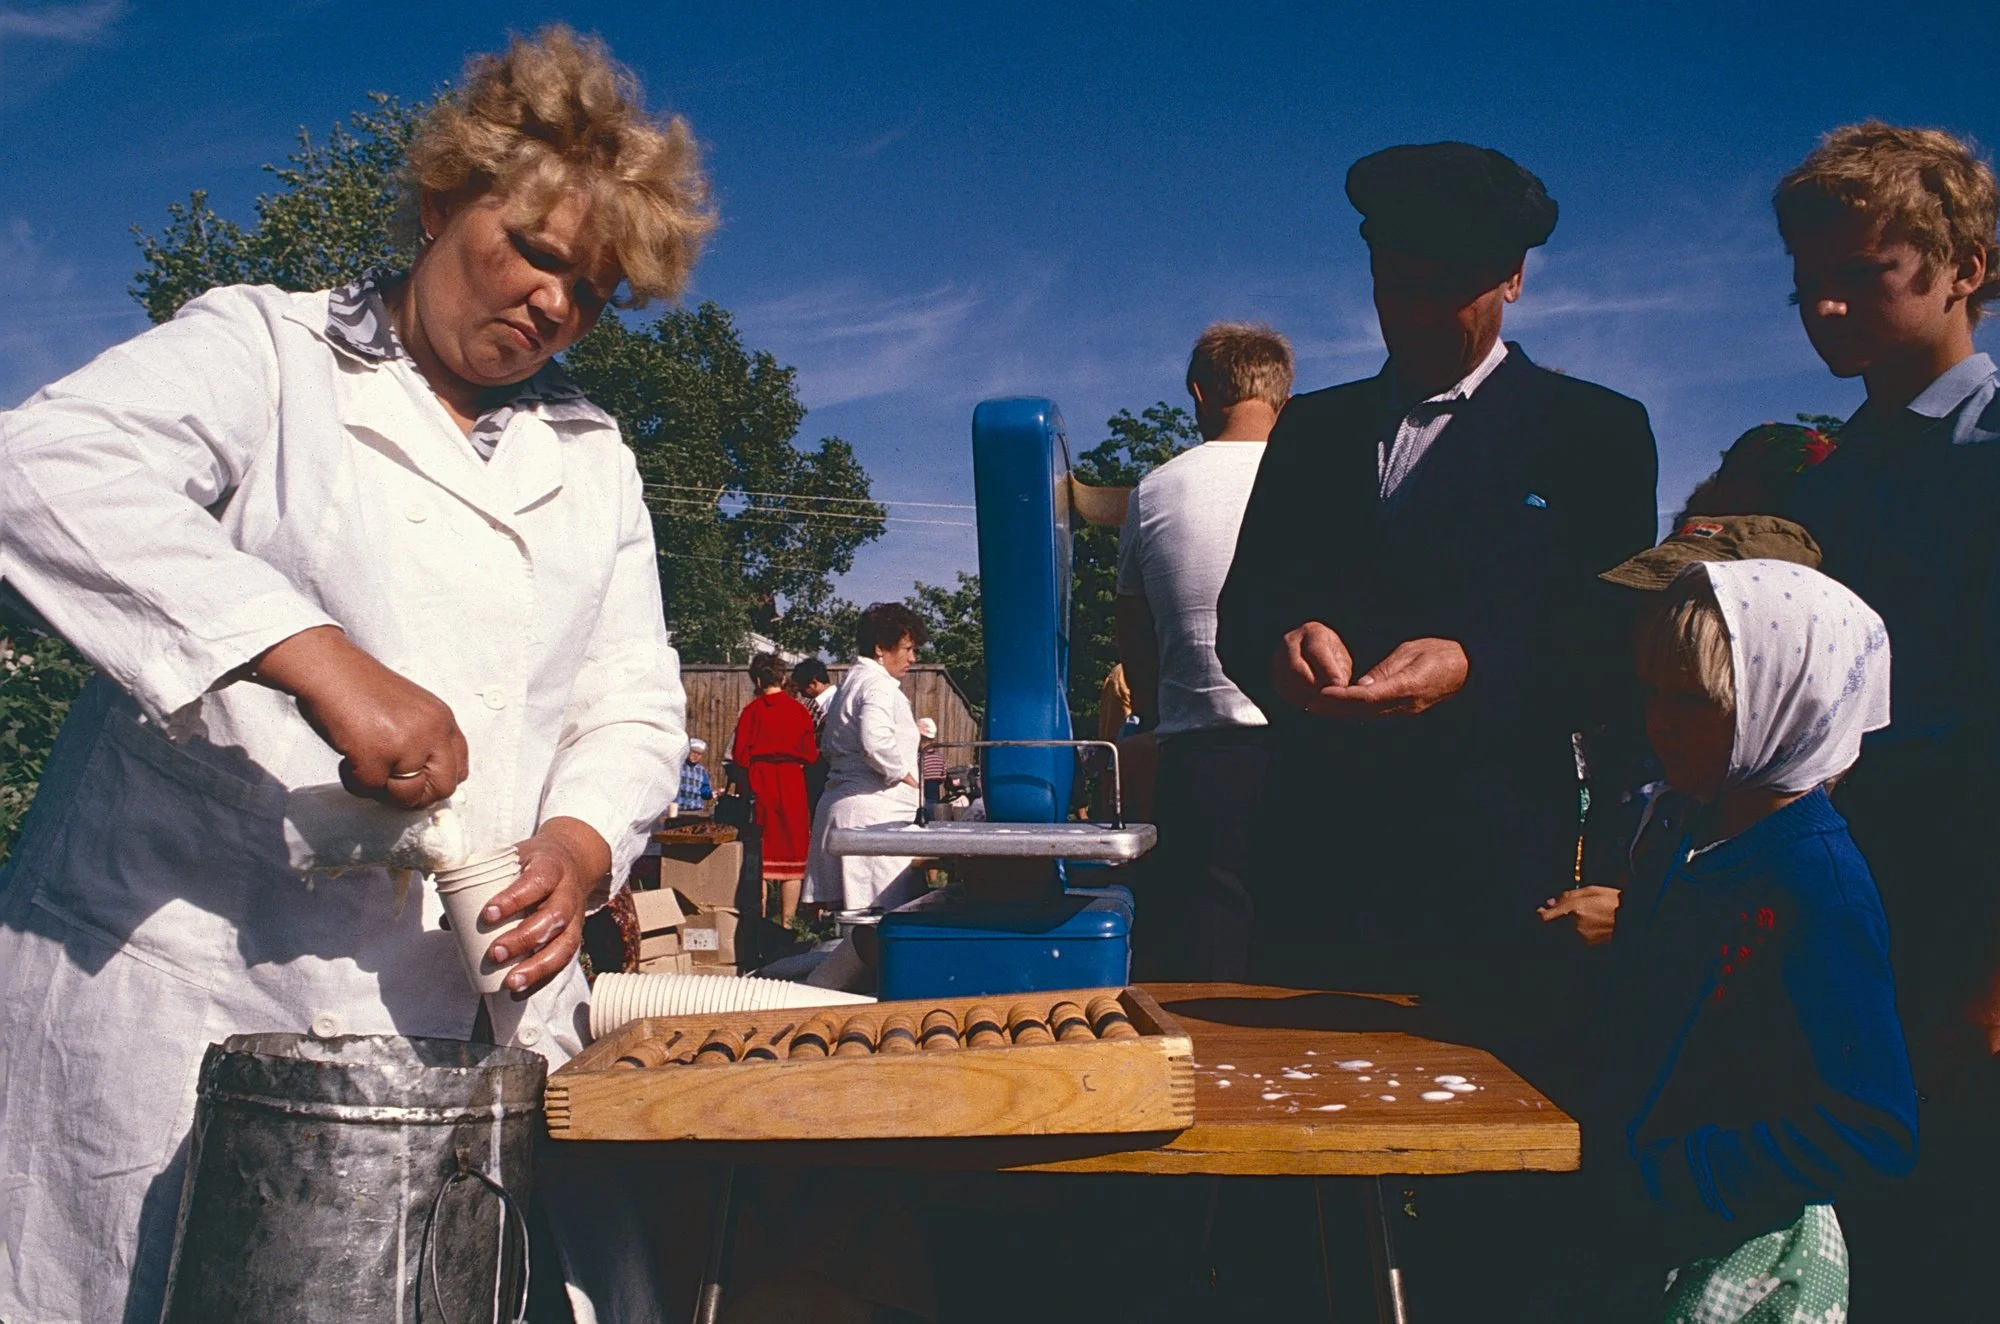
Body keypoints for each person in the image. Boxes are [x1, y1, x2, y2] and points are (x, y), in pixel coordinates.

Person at [0, 26, 711, 1322]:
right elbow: (46, 469)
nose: (556, 303)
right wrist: (317, 660)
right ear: (444, 200)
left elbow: (634, 693)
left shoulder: (592, 456)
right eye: (538, 253)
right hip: (198, 982)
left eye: (593, 290)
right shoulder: (267, 354)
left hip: (451, 1018)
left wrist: (579, 838)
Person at [1214, 141, 1657, 1014]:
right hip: (1315, 854)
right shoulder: (1312, 431)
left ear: (1512, 280)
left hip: (1485, 866)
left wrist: (1474, 664)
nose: (1412, 315)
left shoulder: (1594, 431)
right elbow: (1243, 610)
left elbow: (1610, 643)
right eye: (1393, 287)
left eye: (1443, 292)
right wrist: (1284, 643)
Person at [1774, 119, 2000, 1316]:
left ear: (1963, 264)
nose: (1824, 312)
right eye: (1805, 287)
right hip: (1844, 915)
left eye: (1861, 279)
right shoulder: (1827, 477)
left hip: (1961, 919)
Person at [1562, 561, 1915, 1320]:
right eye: (1654, 692)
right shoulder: (1681, 832)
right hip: (1632, 1237)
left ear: (1789, 701)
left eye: (1694, 699)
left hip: (1742, 1254)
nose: (1661, 719)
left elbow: (1870, 1127)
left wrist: (1672, 1176)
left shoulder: (1816, 884)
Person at [1540, 513, 1828, 946]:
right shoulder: (1638, 719)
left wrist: (1642, 919)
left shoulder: (1786, 787)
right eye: (1651, 601)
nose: (1656, 622)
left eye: (1692, 603)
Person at [1115, 321, 1291, 979]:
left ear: (1201, 392)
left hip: (1201, 753)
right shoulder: (1328, 475)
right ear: (1283, 398)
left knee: (1205, 957)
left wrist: (1159, 712)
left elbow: (1133, 625)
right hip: (1315, 744)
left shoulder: (1156, 488)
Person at [803, 603, 928, 914]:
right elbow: (875, 742)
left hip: (851, 811)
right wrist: (905, 775)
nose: (912, 658)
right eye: (907, 649)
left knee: (858, 930)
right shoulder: (877, 684)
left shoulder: (852, 682)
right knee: (879, 925)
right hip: (871, 818)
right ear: (880, 649)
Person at [732, 652, 819, 924]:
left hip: (761, 781)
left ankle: (756, 923)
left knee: (761, 854)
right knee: (792, 854)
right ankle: (788, 923)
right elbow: (810, 755)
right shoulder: (798, 710)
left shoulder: (751, 711)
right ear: (782, 677)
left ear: (757, 680)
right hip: (792, 781)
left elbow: (739, 755)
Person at [792, 656, 836, 816]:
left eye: (803, 687)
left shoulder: (835, 702)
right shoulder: (816, 704)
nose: (801, 692)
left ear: (813, 682)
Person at [677, 737, 715, 814]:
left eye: (699, 754)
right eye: (694, 752)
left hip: (696, 809)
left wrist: (711, 793)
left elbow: (704, 790)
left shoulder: (701, 770)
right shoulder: (678, 766)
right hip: (679, 809)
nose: (696, 756)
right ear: (688, 751)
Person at [917, 716, 947, 807]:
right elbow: (944, 773)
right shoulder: (940, 757)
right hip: (935, 785)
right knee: (933, 803)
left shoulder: (919, 757)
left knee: (923, 804)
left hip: (922, 784)